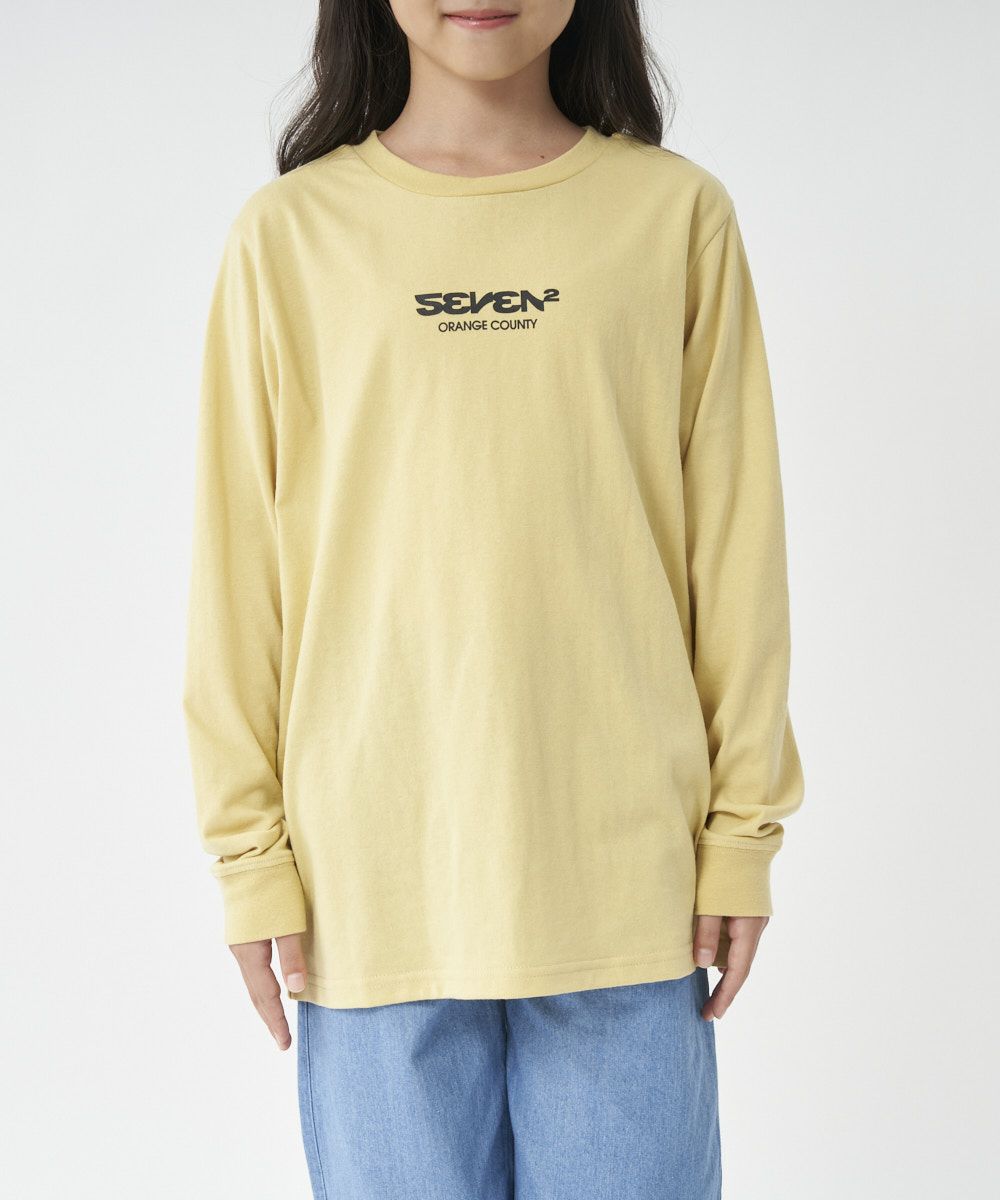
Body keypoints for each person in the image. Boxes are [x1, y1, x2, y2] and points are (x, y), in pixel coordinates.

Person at [182, 2, 805, 1196]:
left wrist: (740, 837)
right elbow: (236, 578)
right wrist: (249, 858)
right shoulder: (290, 236)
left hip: (628, 887)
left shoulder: (673, 217)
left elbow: (735, 555)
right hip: (369, 892)